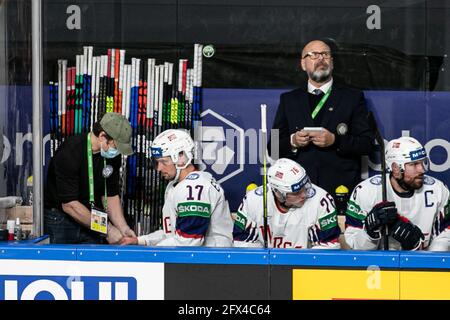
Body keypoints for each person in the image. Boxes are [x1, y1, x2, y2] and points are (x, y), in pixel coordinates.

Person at [270, 39, 374, 200]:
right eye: (313, 55)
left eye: (325, 54)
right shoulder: (288, 100)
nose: (320, 59)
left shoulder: (352, 98)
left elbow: (367, 144)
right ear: (303, 64)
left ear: (332, 63)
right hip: (298, 191)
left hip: (340, 189)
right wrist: (293, 141)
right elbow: (273, 147)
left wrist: (335, 140)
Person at [120, 129, 233, 247]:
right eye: (157, 162)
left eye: (164, 162)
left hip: (212, 261)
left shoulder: (194, 187)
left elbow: (189, 240)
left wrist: (153, 252)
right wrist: (140, 240)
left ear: (181, 157)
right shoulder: (178, 185)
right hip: (199, 259)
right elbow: (172, 235)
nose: (159, 168)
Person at [345, 137, 450, 251]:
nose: (422, 170)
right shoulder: (365, 191)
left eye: (423, 162)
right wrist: (370, 233)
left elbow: (444, 236)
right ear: (395, 168)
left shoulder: (438, 190)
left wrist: (422, 256)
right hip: (377, 266)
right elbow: (354, 249)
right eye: (414, 164)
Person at [44, 112, 135, 244]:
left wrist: (123, 228)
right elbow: (69, 205)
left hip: (91, 216)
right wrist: (107, 229)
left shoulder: (112, 156)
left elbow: (110, 195)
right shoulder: (70, 152)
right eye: (116, 146)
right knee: (61, 263)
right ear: (103, 136)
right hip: (61, 219)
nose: (118, 152)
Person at [232, 158, 341, 249]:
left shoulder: (322, 201)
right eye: (296, 192)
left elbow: (328, 247)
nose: (304, 195)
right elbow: (242, 242)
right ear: (278, 193)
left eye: (305, 186)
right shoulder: (253, 200)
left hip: (305, 269)